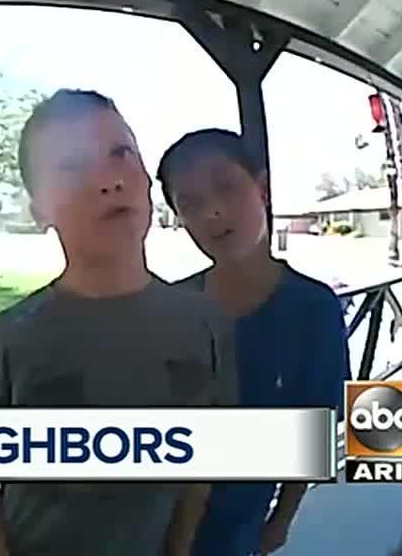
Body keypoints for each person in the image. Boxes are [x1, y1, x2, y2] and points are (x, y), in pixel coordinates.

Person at [0, 89, 237, 556]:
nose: (109, 181)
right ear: (40, 210)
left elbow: (203, 465)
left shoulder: (206, 325)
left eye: (121, 154)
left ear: (146, 178)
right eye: (73, 167)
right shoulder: (10, 339)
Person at [155, 129, 350, 556]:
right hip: (147, 524)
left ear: (261, 189)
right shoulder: (168, 308)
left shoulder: (314, 309)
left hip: (236, 527)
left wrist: (281, 518)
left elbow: (318, 424)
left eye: (225, 186)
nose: (213, 211)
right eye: (190, 204)